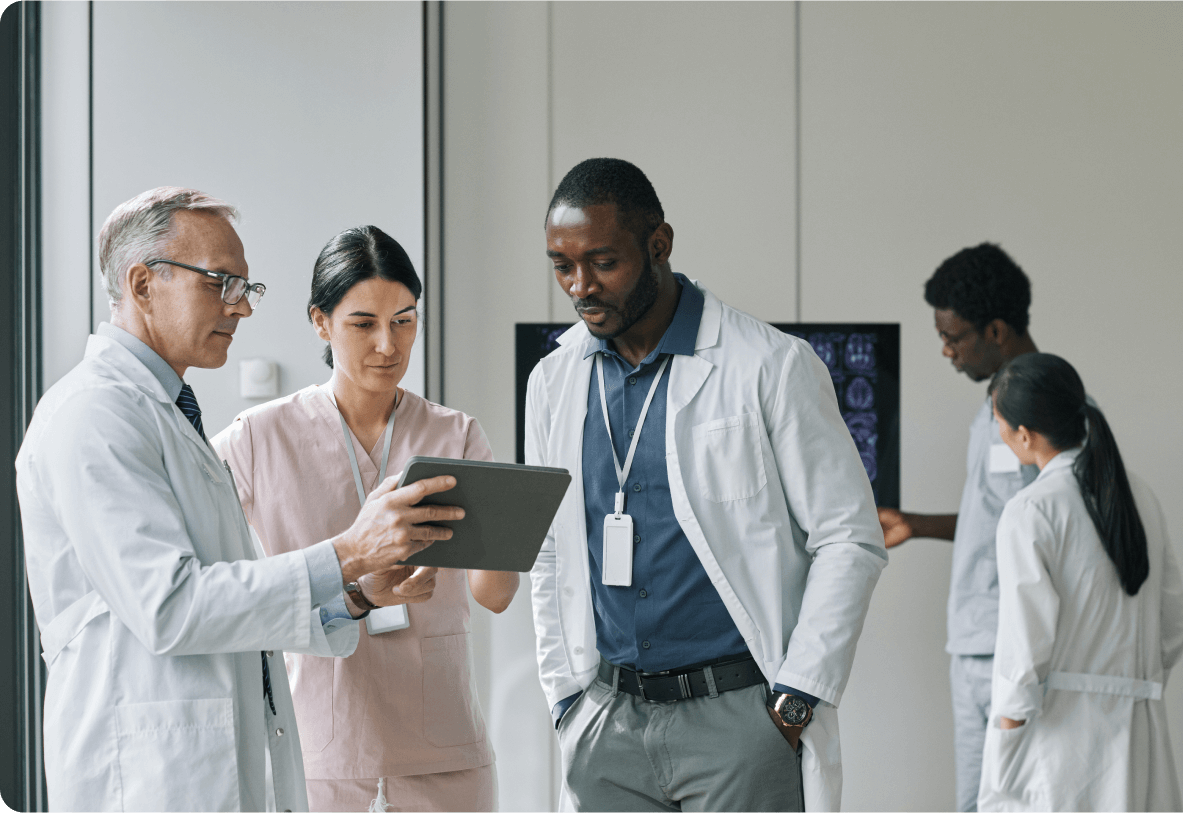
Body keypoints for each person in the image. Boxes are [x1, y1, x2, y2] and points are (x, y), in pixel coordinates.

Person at [15, 188, 463, 813]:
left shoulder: (170, 414)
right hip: (147, 777)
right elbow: (171, 608)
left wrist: (357, 593)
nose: (240, 308)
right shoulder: (95, 414)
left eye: (245, 288)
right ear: (142, 285)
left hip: (213, 768)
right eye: (220, 283)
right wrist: (347, 551)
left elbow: (234, 600)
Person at [525, 158, 887, 812]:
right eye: (561, 265)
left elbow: (849, 538)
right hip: (607, 719)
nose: (580, 286)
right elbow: (547, 550)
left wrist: (797, 696)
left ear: (659, 245)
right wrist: (567, 701)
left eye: (603, 261)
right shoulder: (553, 380)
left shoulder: (769, 366)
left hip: (738, 720)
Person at [213, 225, 518, 813]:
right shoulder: (257, 438)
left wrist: (509, 530)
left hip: (444, 748)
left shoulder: (455, 434)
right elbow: (216, 583)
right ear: (320, 322)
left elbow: (495, 597)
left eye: (405, 321)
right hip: (319, 751)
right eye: (363, 323)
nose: (388, 344)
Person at [978, 353, 1183, 812]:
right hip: (1142, 738)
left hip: (1060, 747)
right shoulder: (1141, 496)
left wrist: (1004, 751)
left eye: (998, 422)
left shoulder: (1031, 510)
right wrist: (1125, 686)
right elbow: (1173, 630)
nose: (999, 434)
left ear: (1024, 434)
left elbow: (1025, 651)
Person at [878, 243, 1041, 812]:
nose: (946, 352)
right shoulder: (995, 406)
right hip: (978, 644)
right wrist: (915, 526)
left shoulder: (1041, 412)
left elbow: (1049, 533)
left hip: (1011, 647)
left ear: (995, 330)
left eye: (953, 337)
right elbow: (999, 521)